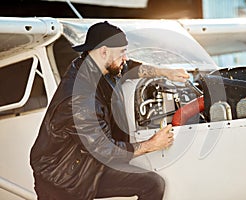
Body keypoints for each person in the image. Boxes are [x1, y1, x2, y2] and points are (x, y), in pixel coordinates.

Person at [30, 21, 190, 200]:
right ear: (104, 51)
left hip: (89, 164)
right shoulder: (78, 99)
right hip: (64, 178)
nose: (126, 58)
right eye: (122, 52)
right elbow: (104, 149)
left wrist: (165, 72)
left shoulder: (101, 66)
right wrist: (152, 144)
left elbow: (130, 68)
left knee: (152, 183)